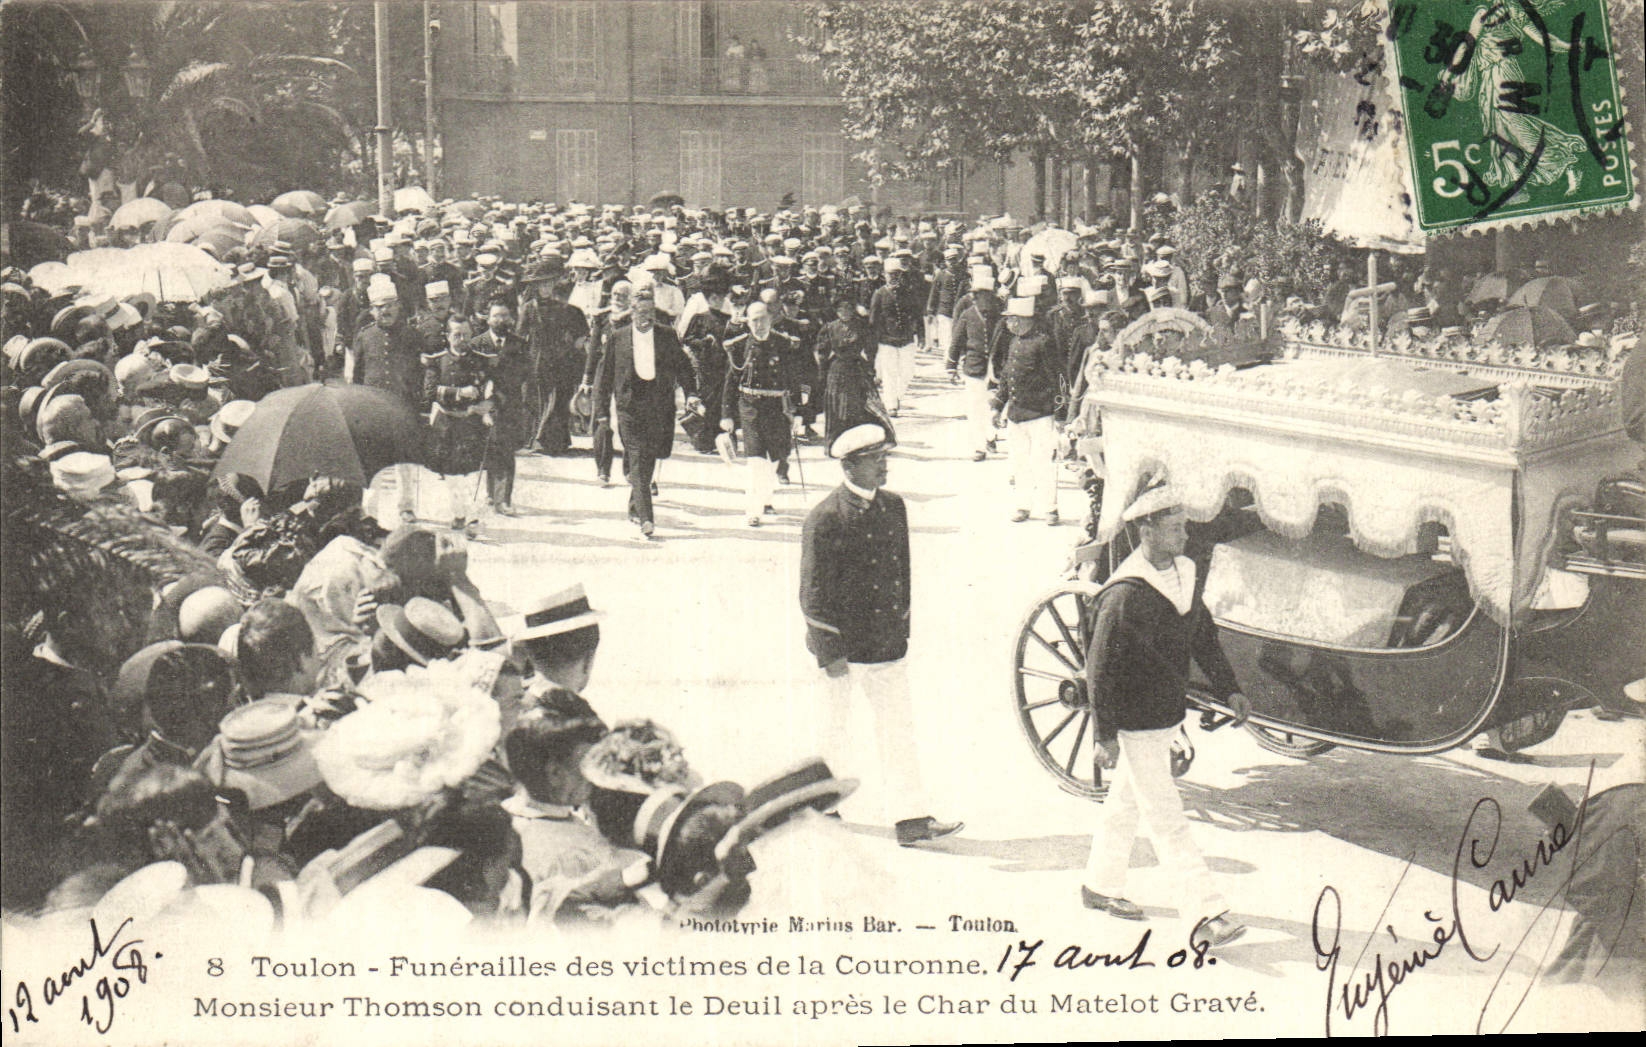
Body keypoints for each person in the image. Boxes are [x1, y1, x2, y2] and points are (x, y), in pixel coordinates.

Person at [1081, 484, 1251, 947]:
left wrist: (1230, 687)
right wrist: (1105, 734)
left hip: (1165, 713)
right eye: (1174, 527)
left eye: (1184, 524)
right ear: (1146, 530)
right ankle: (1205, 913)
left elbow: (1203, 636)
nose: (1184, 534)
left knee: (1126, 803)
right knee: (1165, 816)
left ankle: (1099, 885)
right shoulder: (1123, 596)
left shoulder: (1184, 573)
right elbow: (1099, 671)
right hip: (1136, 720)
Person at [799, 422, 961, 847]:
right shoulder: (824, 518)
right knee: (834, 729)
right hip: (843, 651)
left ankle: (911, 820)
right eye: (875, 461)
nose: (883, 467)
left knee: (898, 733)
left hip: (885, 646)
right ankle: (822, 803)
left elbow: (902, 575)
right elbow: (813, 594)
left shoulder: (894, 508)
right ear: (850, 466)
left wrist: (900, 628)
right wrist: (829, 651)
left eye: (884, 458)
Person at [591, 283, 702, 539]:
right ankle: (646, 519)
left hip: (659, 406)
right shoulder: (618, 337)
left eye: (650, 313)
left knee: (649, 457)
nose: (646, 318)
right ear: (632, 313)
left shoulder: (667, 335)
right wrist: (601, 413)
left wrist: (691, 393)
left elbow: (683, 367)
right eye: (641, 313)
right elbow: (604, 376)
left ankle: (635, 505)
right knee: (640, 455)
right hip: (629, 407)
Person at [352, 275, 427, 523]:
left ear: (398, 307)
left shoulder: (412, 335)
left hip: (402, 406)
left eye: (390, 306)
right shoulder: (364, 336)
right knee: (372, 461)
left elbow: (421, 374)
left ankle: (406, 506)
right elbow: (358, 374)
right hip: (372, 409)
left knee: (404, 460)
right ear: (372, 311)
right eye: (379, 307)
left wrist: (419, 407)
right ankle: (370, 510)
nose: (386, 311)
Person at [722, 301, 802, 527]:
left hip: (778, 408)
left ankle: (765, 497)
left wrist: (799, 413)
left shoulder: (784, 344)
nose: (758, 324)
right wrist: (726, 414)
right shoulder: (738, 346)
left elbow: (794, 380)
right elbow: (730, 381)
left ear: (771, 319)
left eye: (762, 319)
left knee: (776, 458)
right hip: (750, 408)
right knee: (755, 459)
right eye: (753, 320)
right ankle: (753, 509)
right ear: (747, 321)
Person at [992, 296, 1064, 525]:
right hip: (1016, 416)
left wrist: (1061, 414)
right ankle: (1023, 505)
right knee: (1019, 462)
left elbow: (1059, 379)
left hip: (1040, 415)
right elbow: (1006, 377)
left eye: (1013, 319)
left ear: (1026, 320)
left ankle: (1050, 509)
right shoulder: (1013, 342)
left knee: (1043, 462)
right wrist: (997, 406)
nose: (1009, 323)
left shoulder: (1044, 343)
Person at [421, 314, 494, 536]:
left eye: (465, 335)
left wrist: (487, 403)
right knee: (452, 476)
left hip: (471, 422)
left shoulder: (482, 360)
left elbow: (493, 388)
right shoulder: (438, 361)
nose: (461, 339)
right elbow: (430, 392)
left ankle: (473, 520)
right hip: (446, 423)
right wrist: (459, 393)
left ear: (472, 335)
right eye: (456, 335)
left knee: (472, 474)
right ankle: (460, 514)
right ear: (447, 336)